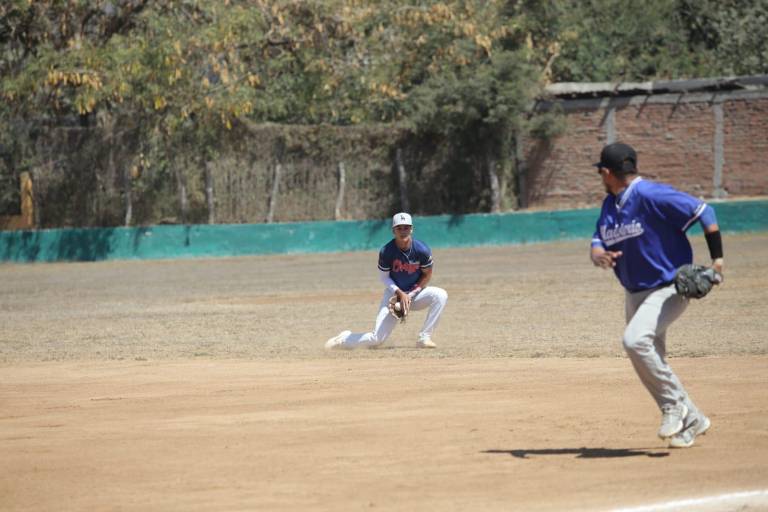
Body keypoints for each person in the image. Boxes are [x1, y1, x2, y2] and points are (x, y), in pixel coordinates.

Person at [589, 142, 724, 449]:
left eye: (601, 172)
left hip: (668, 288)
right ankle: (694, 420)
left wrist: (718, 261)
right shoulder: (610, 205)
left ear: (608, 172)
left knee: (634, 341)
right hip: (634, 293)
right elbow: (598, 241)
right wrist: (598, 255)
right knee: (651, 360)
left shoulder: (650, 194)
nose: (601, 177)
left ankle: (674, 407)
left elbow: (705, 211)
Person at [325, 212, 448, 350]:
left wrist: (410, 295)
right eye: (399, 228)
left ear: (411, 229)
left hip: (415, 294)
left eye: (406, 227)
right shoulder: (387, 251)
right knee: (376, 339)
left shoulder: (422, 250)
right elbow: (384, 277)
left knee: (440, 295)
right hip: (393, 296)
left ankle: (424, 337)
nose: (403, 231)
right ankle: (344, 339)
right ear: (393, 230)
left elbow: (427, 275)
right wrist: (400, 293)